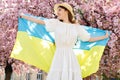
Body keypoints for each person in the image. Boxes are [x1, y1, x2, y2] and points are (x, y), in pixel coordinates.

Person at [20, 2, 109, 80]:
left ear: (66, 11)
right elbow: (39, 22)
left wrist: (104, 37)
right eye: (57, 11)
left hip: (70, 57)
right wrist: (24, 17)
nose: (57, 12)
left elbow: (89, 39)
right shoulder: (56, 23)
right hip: (59, 56)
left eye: (59, 10)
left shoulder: (76, 27)